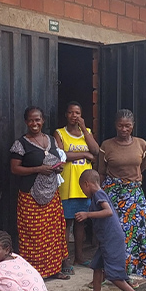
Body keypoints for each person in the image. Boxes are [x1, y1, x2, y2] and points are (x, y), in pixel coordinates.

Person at [74, 170, 146, 291]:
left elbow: (107, 211)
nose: (83, 192)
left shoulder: (98, 195)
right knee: (97, 266)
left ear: (86, 184)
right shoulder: (100, 194)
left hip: (111, 241)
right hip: (107, 240)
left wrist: (87, 214)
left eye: (82, 188)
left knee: (113, 275)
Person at [10, 106, 70, 280]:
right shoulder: (20, 144)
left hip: (51, 194)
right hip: (30, 195)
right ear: (26, 122)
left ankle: (54, 269)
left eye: (37, 120)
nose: (34, 123)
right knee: (33, 234)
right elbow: (15, 169)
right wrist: (38, 169)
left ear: (43, 121)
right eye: (30, 120)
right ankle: (35, 273)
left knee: (53, 232)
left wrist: (57, 168)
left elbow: (59, 158)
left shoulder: (51, 140)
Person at [97, 109, 146, 280]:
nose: (124, 129)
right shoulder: (106, 146)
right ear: (115, 125)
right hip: (113, 194)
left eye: (127, 126)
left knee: (137, 231)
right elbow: (101, 172)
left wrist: (130, 182)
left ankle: (132, 270)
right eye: (120, 125)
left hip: (134, 194)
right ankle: (112, 271)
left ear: (133, 126)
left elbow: (143, 167)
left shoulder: (142, 144)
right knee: (116, 232)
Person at [53, 101, 99, 268]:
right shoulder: (60, 133)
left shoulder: (86, 132)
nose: (74, 116)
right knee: (66, 224)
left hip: (84, 187)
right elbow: (61, 155)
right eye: (71, 112)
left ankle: (79, 256)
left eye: (77, 113)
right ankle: (64, 260)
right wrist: (84, 153)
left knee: (81, 223)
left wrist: (85, 131)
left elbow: (95, 151)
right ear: (66, 115)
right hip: (67, 184)